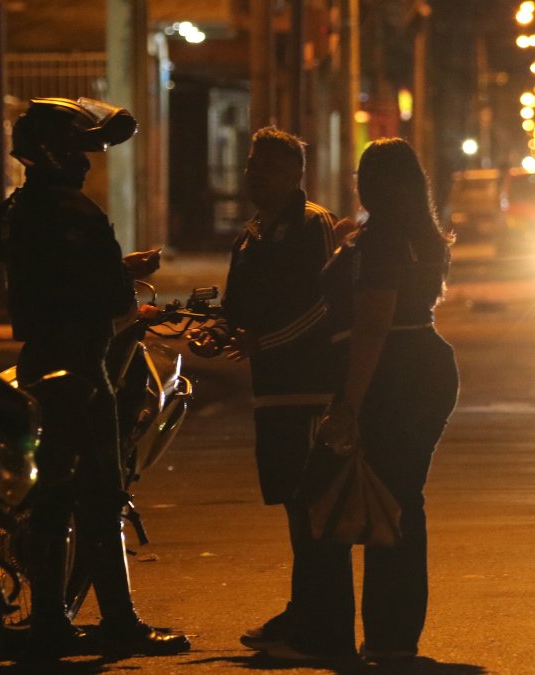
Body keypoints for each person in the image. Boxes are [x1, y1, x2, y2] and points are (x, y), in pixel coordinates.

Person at [0, 97, 189, 663]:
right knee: (98, 495)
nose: (88, 163)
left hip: (40, 359)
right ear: (57, 153)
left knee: (51, 496)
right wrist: (122, 277)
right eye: (80, 150)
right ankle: (116, 623)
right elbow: (114, 301)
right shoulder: (77, 212)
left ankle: (50, 620)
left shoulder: (22, 209)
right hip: (85, 366)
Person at [190, 127, 347, 660]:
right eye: (251, 163)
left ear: (293, 174)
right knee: (291, 506)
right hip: (271, 393)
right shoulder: (251, 234)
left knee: (313, 510)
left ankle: (319, 625)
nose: (252, 173)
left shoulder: (313, 225)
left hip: (308, 389)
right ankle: (302, 613)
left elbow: (325, 304)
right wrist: (215, 334)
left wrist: (265, 342)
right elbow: (238, 312)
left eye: (265, 165)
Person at [314, 137, 460, 664]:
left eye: (364, 174)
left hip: (392, 372)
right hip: (426, 366)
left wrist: (349, 403)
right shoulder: (417, 236)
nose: (359, 183)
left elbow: (372, 326)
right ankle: (391, 634)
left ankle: (375, 633)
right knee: (401, 499)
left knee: (384, 501)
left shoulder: (380, 243)